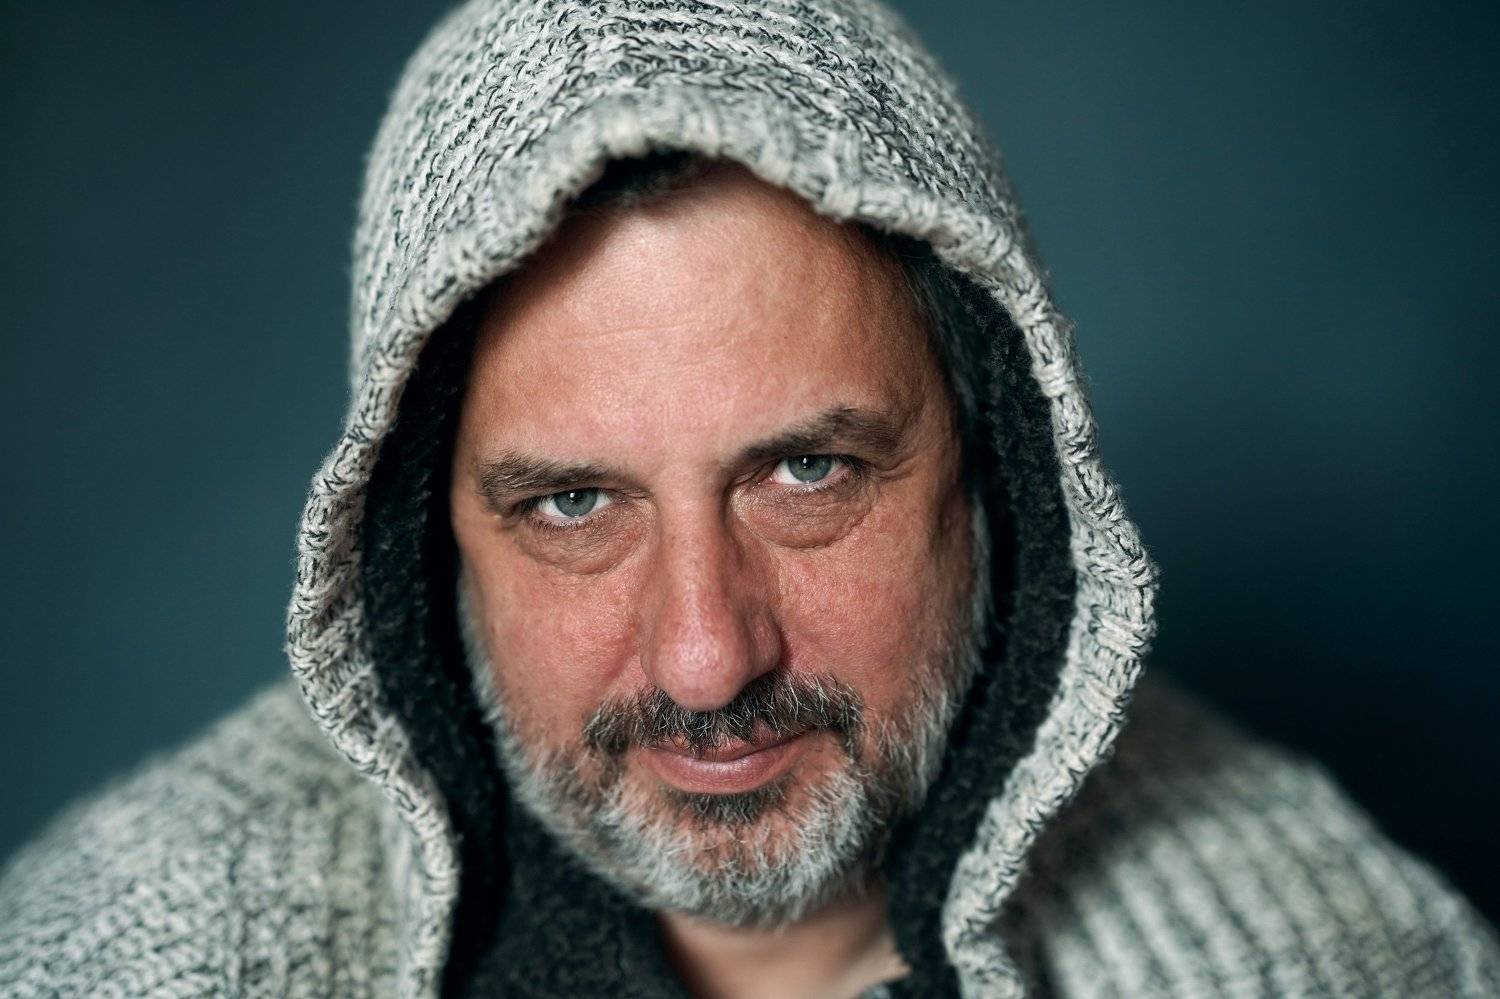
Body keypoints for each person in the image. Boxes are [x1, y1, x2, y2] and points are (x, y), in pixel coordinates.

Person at [1, 0, 1496, 995]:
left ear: (998, 471)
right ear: (413, 543)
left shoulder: (1342, 959)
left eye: (807, 473)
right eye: (574, 506)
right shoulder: (121, 953)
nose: (708, 657)